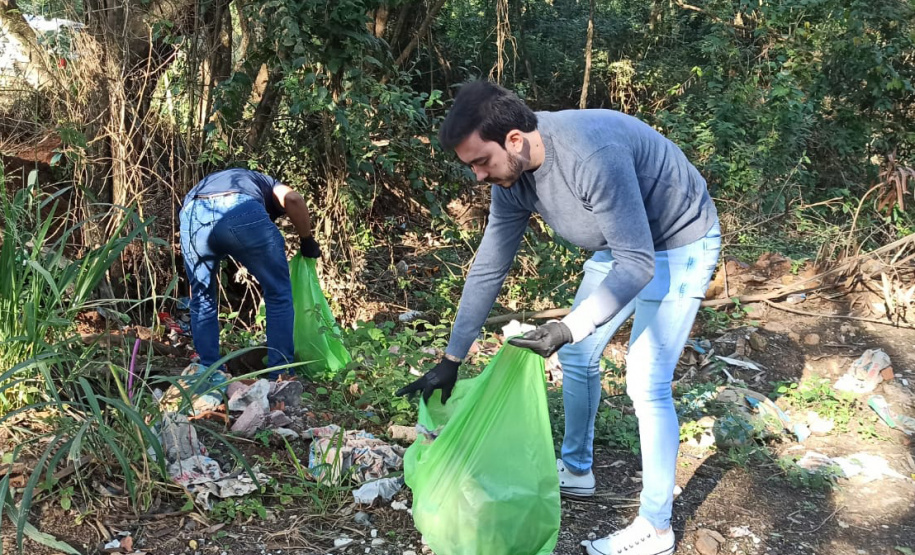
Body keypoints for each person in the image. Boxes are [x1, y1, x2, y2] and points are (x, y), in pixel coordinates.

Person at [395, 81, 721, 555]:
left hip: (679, 238)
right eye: (471, 167)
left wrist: (569, 326)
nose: (478, 177)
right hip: (620, 244)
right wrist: (452, 358)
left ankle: (656, 527)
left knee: (646, 380)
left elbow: (638, 264)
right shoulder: (513, 179)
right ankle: (578, 469)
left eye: (481, 162)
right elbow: (490, 266)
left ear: (514, 139)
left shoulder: (590, 155)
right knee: (579, 356)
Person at [179, 168, 321, 380]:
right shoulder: (270, 184)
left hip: (192, 214)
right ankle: (280, 374)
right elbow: (293, 199)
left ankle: (209, 371)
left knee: (202, 297)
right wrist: (307, 239)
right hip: (239, 209)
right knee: (278, 293)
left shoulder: (231, 178)